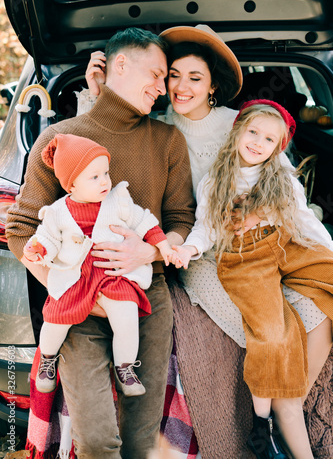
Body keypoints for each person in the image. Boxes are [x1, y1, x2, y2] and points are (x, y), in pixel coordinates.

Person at [79, 25, 332, 457]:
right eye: (172, 75)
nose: (180, 87)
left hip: (262, 243)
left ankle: (288, 409)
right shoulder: (155, 126)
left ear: (213, 85)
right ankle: (271, 421)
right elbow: (103, 141)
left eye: (194, 78)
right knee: (262, 327)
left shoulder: (241, 126)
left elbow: (284, 184)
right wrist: (97, 93)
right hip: (199, 252)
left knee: (314, 313)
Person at [5, 27, 195, 459]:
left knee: (139, 440)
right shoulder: (61, 139)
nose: (162, 88)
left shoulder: (168, 140)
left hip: (145, 300)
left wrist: (149, 250)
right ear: (121, 64)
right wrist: (69, 286)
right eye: (158, 74)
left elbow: (181, 218)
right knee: (95, 440)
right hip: (76, 309)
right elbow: (20, 229)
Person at [171, 100, 333, 459]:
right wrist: (189, 250)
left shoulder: (281, 180)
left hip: (284, 242)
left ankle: (284, 413)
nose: (258, 142)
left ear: (279, 148)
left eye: (269, 139)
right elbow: (205, 228)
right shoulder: (216, 180)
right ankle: (263, 426)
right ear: (238, 131)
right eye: (253, 132)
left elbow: (306, 221)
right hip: (244, 258)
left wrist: (329, 250)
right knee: (272, 331)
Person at [23, 133, 182, 396]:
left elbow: (146, 222)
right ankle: (47, 359)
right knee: (55, 319)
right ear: (71, 185)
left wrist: (163, 246)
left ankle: (126, 369)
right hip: (75, 276)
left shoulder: (118, 201)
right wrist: (37, 249)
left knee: (126, 317)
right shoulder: (58, 211)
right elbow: (47, 238)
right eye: (94, 177)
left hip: (112, 273)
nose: (105, 181)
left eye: (105, 173)